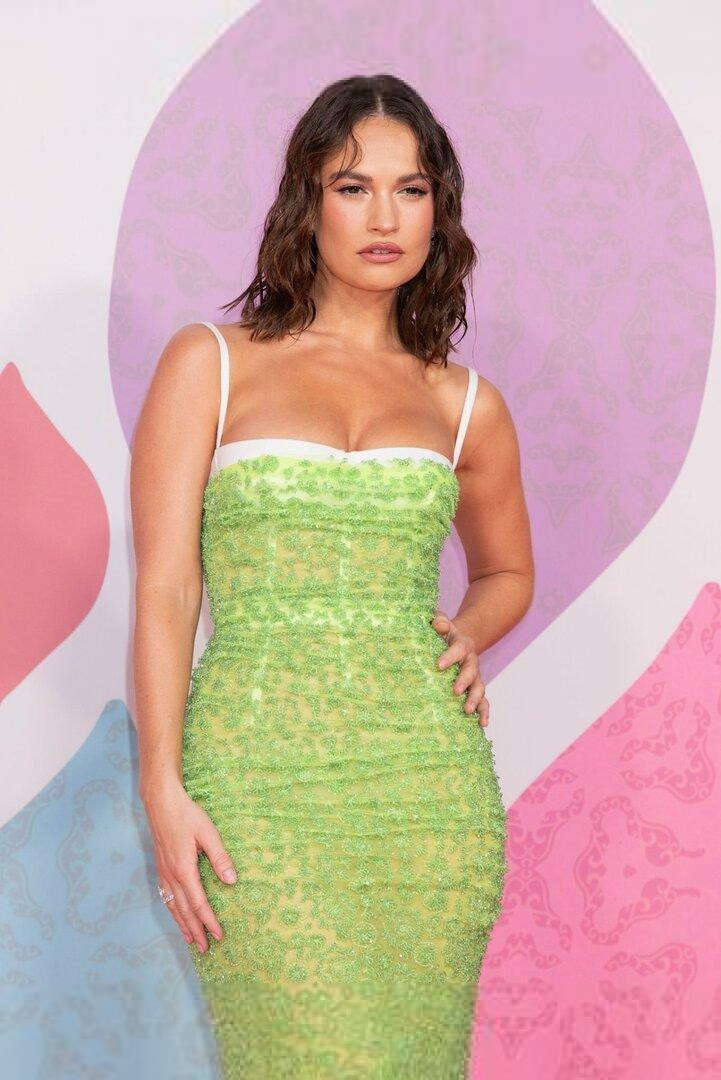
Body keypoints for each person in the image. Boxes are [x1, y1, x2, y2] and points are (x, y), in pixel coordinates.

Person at [131, 73, 534, 1080]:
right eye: (353, 187)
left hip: (427, 802)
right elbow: (167, 592)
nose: (384, 217)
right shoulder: (209, 362)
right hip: (255, 788)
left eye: (411, 189)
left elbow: (506, 572)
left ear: (439, 210)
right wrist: (161, 786)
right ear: (305, 203)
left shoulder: (467, 403)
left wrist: (469, 631)